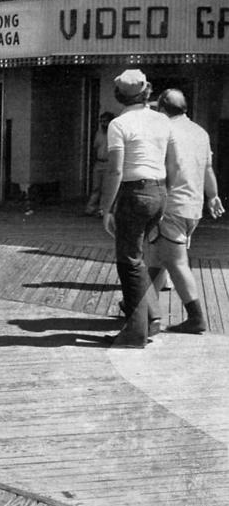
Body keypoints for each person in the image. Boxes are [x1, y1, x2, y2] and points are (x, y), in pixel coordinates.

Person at [99, 69, 176, 348]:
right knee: (138, 257)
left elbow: (115, 170)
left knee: (128, 261)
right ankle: (152, 317)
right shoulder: (162, 120)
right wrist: (164, 196)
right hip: (158, 190)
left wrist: (106, 208)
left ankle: (135, 333)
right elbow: (173, 164)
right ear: (147, 91)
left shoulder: (119, 124)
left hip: (134, 193)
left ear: (119, 95)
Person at [146, 89, 225, 334]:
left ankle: (196, 317)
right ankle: (141, 307)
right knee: (157, 256)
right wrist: (213, 196)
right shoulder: (199, 132)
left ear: (162, 108)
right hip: (193, 206)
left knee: (175, 262)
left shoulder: (165, 130)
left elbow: (168, 167)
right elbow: (208, 168)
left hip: (172, 205)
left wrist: (160, 201)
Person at [84, 111, 114, 216]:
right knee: (96, 187)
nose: (103, 124)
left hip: (109, 163)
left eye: (105, 121)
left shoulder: (114, 134)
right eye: (101, 121)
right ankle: (90, 208)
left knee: (106, 188)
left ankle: (102, 209)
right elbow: (95, 148)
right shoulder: (99, 133)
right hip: (99, 162)